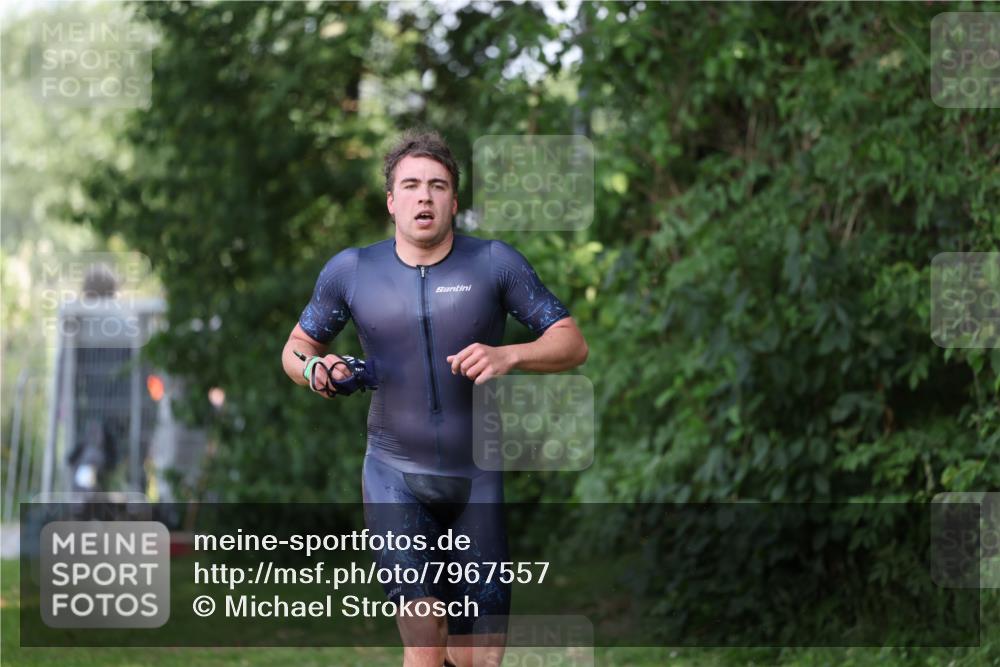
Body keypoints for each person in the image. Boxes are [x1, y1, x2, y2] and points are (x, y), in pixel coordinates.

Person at [282, 130, 588, 667]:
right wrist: (316, 369)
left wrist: (510, 355)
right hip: (393, 473)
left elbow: (571, 342)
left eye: (438, 186)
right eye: (412, 185)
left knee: (477, 661)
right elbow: (296, 348)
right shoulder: (352, 271)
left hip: (476, 480)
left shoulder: (494, 263)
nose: (424, 196)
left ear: (454, 200)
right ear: (391, 201)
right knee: (425, 642)